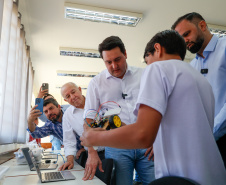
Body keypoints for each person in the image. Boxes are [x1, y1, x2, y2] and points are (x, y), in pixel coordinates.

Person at [81, 30, 226, 185]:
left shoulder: (154, 70)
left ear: (157, 49)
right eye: (108, 62)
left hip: (164, 159)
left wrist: (94, 138)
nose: (114, 66)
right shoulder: (200, 78)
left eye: (148, 60)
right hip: (211, 171)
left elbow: (143, 133)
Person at [83, 36, 155, 185]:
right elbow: (89, 120)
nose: (114, 66)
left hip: (147, 145)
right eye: (108, 62)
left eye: (118, 59)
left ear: (126, 54)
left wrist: (159, 140)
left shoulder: (144, 75)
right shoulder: (96, 83)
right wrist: (92, 152)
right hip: (116, 146)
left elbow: (158, 110)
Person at [172, 12, 226, 167]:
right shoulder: (192, 67)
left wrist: (210, 132)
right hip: (207, 143)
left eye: (187, 34)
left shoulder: (224, 48)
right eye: (181, 38)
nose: (185, 41)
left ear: (202, 25)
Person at [58, 82, 105, 180]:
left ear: (79, 89)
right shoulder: (67, 115)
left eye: (73, 92)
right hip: (91, 156)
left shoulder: (98, 102)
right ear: (66, 100)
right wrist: (70, 160)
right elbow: (69, 141)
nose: (72, 97)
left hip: (112, 151)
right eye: (68, 96)